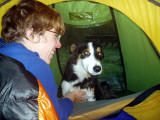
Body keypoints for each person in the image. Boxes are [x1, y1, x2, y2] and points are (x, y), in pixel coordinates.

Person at [0, 0, 86, 119]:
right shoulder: (35, 66)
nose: (59, 45)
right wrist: (70, 98)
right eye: (56, 36)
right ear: (32, 34)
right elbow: (56, 116)